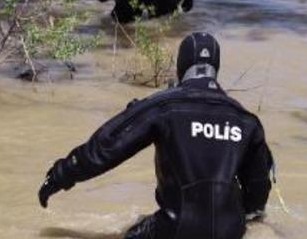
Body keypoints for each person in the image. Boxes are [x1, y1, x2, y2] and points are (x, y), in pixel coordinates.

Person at [38, 32, 274, 239]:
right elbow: (258, 190)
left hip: (175, 228)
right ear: (217, 68)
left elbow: (108, 146)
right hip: (232, 231)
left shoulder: (164, 106)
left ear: (181, 65)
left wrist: (61, 174)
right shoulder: (246, 120)